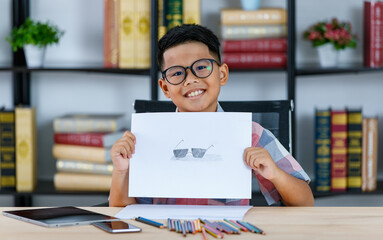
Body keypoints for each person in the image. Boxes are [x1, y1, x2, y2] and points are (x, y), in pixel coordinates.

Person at [109, 24, 314, 207]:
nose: (190, 80)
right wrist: (121, 171)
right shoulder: (142, 139)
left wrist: (275, 174)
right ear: (165, 88)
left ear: (222, 74)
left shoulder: (251, 135)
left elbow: (305, 202)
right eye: (177, 73)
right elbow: (121, 212)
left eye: (201, 67)